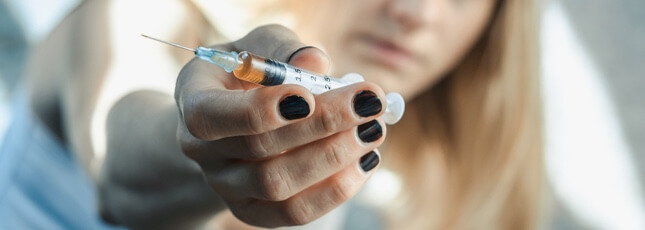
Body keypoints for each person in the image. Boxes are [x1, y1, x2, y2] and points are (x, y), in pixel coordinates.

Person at [0, 0, 544, 229]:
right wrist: (200, 141)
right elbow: (119, 160)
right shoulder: (140, 11)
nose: (414, 13)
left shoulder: (440, 172)